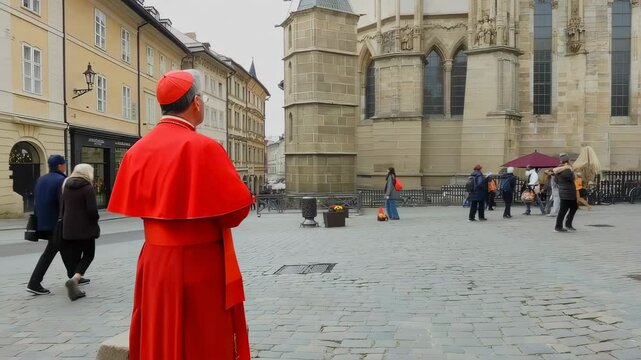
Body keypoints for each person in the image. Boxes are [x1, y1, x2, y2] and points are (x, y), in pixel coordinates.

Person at [108, 69, 253, 360]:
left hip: (155, 262)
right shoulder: (205, 148)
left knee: (160, 330)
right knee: (204, 336)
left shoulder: (136, 151)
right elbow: (236, 211)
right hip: (201, 262)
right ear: (196, 103)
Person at [26, 155, 73, 295]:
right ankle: (34, 283)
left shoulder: (41, 179)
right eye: (64, 164)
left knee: (64, 247)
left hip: (43, 222)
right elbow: (63, 203)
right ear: (60, 166)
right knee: (49, 252)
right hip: (57, 223)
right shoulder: (62, 180)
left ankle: (75, 275)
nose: (65, 166)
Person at [61, 164, 100, 301]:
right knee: (89, 254)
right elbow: (92, 211)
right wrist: (96, 220)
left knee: (76, 255)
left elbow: (63, 208)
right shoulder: (87, 188)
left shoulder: (66, 186)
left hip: (69, 227)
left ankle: (74, 282)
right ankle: (75, 278)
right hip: (85, 228)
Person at [554, 153, 578, 232]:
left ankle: (567, 224)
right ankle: (559, 227)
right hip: (568, 193)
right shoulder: (567, 170)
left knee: (573, 207)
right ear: (567, 161)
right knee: (563, 210)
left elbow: (556, 180)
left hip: (565, 192)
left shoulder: (559, 169)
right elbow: (571, 178)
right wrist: (573, 172)